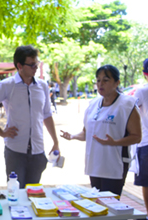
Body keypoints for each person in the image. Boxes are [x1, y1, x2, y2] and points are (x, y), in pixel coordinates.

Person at [0, 45, 59, 188]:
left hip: (38, 151)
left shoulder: (42, 86)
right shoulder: (7, 85)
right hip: (15, 152)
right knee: (15, 193)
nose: (36, 67)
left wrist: (55, 141)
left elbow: (47, 114)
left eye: (37, 63)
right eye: (32, 64)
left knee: (33, 194)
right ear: (19, 66)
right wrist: (1, 132)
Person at [60, 65, 141, 196]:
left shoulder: (127, 105)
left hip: (114, 165)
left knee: (110, 206)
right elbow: (87, 133)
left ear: (117, 82)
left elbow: (137, 136)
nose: (100, 84)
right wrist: (73, 136)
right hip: (94, 165)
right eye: (98, 80)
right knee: (97, 204)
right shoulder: (93, 104)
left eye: (105, 80)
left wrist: (115, 142)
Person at [133, 57, 148, 219]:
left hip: (146, 144)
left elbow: (130, 111)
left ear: (145, 73)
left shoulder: (142, 91)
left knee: (147, 183)